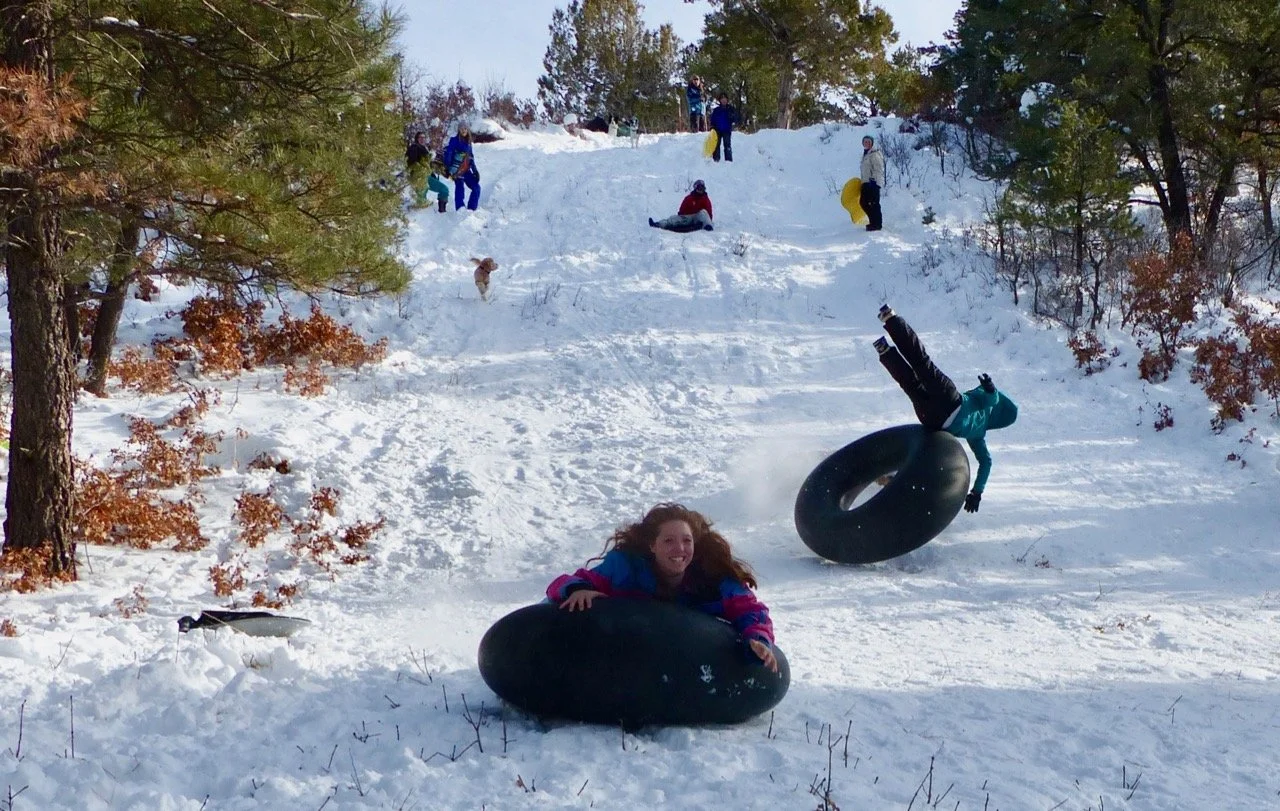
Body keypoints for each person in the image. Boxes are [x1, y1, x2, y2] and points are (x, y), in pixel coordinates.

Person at [546, 502, 778, 672]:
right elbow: (559, 585)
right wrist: (578, 589)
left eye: (686, 541)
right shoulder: (625, 568)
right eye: (668, 541)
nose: (679, 549)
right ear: (652, 546)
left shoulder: (712, 579)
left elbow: (751, 611)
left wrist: (757, 639)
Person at [872, 306, 1018, 513]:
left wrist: (991, 390)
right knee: (910, 385)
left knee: (922, 363)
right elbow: (986, 463)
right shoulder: (978, 437)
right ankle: (885, 352)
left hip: (951, 400)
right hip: (933, 420)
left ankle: (891, 319)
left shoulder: (984, 405)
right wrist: (977, 493)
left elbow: (992, 400)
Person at [405, 132, 449, 212]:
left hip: (427, 176)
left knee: (444, 189)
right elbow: (411, 163)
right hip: (418, 176)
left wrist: (432, 174)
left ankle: (442, 212)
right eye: (420, 137)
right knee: (422, 192)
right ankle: (419, 211)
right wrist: (419, 171)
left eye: (424, 137)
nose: (422, 139)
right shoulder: (414, 148)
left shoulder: (425, 149)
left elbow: (428, 165)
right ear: (416, 138)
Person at [648, 179, 714, 232]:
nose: (701, 190)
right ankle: (658, 224)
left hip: (697, 219)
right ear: (696, 188)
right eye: (700, 188)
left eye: (702, 188)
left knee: (703, 212)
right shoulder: (689, 198)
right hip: (687, 218)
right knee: (673, 218)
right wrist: (683, 219)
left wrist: (707, 221)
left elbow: (708, 214)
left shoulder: (705, 199)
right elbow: (681, 212)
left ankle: (708, 226)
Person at [442, 123, 481, 211]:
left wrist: (475, 171)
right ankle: (460, 210)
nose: (463, 130)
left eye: (465, 128)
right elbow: (449, 153)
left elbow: (471, 157)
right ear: (459, 130)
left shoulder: (469, 143)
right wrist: (447, 168)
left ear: (467, 130)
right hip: (457, 170)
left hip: (466, 170)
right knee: (460, 189)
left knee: (476, 188)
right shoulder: (454, 140)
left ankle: (471, 210)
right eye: (462, 128)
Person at [859, 135, 885, 232]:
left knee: (874, 204)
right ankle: (873, 222)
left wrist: (873, 181)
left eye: (868, 142)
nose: (866, 143)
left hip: (873, 182)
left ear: (872, 143)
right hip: (866, 182)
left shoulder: (875, 154)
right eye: (864, 142)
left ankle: (877, 224)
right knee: (863, 203)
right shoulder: (866, 154)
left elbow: (878, 169)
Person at [709, 94, 738, 163]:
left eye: (725, 98)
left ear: (727, 100)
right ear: (720, 100)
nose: (724, 100)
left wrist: (733, 117)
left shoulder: (731, 109)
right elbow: (713, 119)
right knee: (716, 145)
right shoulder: (717, 110)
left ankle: (728, 161)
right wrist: (712, 127)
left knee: (727, 145)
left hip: (727, 130)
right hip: (717, 130)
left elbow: (736, 118)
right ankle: (716, 160)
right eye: (722, 99)